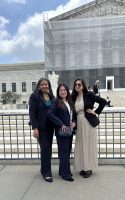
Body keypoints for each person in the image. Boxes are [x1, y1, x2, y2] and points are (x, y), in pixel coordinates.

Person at [71, 79, 107, 178]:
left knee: (88, 145)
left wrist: (95, 112)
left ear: (83, 85)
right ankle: (83, 167)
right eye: (76, 84)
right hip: (79, 123)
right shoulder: (74, 97)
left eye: (79, 84)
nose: (77, 86)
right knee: (81, 145)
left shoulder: (89, 95)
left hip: (88, 122)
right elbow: (74, 112)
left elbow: (103, 102)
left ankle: (89, 168)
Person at [47, 84, 76, 181]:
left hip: (70, 130)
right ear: (58, 92)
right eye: (60, 90)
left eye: (64, 90)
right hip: (62, 130)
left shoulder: (70, 102)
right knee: (63, 152)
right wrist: (61, 124)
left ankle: (62, 170)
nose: (62, 92)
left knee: (67, 151)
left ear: (67, 91)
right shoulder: (56, 102)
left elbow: (74, 115)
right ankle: (65, 174)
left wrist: (74, 123)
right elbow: (50, 114)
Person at [29, 78, 55, 183]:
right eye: (42, 84)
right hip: (41, 128)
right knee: (45, 150)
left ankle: (44, 169)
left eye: (46, 84)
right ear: (39, 86)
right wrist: (35, 128)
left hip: (50, 128)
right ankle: (47, 173)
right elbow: (32, 113)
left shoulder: (51, 96)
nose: (45, 86)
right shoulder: (34, 96)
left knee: (48, 150)